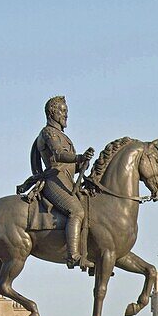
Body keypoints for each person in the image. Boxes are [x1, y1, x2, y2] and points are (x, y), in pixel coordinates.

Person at [20, 95, 96, 269]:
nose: (66, 115)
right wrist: (78, 157)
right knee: (76, 211)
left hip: (67, 181)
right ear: (52, 112)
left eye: (66, 111)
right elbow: (58, 155)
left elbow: (69, 166)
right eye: (62, 111)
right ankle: (73, 256)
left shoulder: (62, 135)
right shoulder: (48, 133)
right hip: (54, 181)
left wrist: (82, 163)